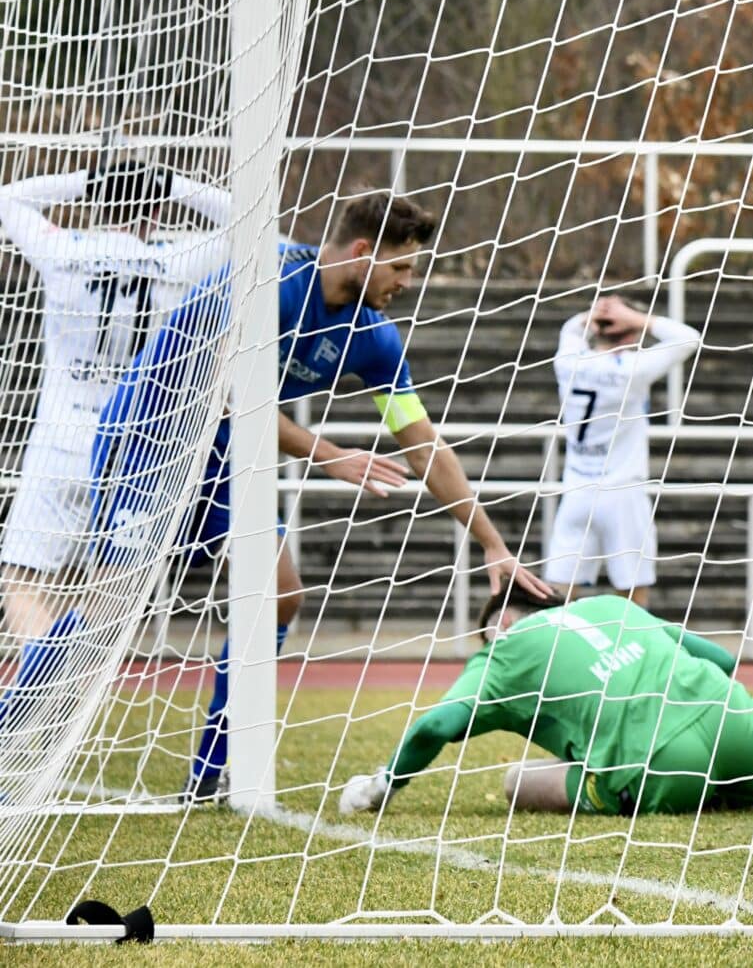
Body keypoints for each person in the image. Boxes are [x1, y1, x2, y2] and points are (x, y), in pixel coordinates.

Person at [85, 189, 549, 800]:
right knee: (108, 613)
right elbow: (223, 390)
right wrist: (331, 455)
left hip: (227, 455)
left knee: (281, 595)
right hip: (146, 439)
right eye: (401, 266)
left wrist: (491, 542)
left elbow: (423, 443)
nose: (408, 282)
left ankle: (209, 777)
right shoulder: (265, 281)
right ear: (361, 252)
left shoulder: (376, 339)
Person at [338, 583, 753, 817]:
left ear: (497, 629)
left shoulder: (501, 653)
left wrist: (385, 782)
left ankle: (694, 788)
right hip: (727, 714)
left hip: (655, 765)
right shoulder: (608, 604)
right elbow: (722, 660)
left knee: (515, 781)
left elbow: (436, 726)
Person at [0, 157, 230, 654]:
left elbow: (9, 198)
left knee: (21, 577)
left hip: (59, 442)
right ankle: (70, 681)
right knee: (107, 592)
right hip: (135, 446)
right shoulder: (179, 260)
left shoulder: (61, 249)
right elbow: (249, 221)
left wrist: (84, 180)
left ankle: (39, 681)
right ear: (156, 211)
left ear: (99, 205)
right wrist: (178, 187)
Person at [546, 294, 702, 606]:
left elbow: (569, 330)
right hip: (623, 493)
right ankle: (632, 652)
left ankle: (544, 649)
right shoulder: (633, 367)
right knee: (633, 593)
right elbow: (689, 339)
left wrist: (595, 312)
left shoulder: (569, 360)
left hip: (577, 490)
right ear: (631, 333)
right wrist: (636, 317)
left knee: (556, 594)